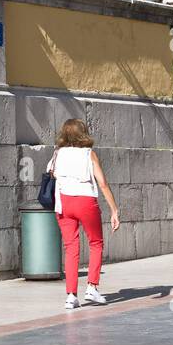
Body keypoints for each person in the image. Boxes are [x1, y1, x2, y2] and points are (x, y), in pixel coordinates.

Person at [48, 118, 120, 310]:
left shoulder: (57, 153)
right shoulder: (89, 154)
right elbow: (102, 183)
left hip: (64, 203)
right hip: (85, 201)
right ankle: (92, 287)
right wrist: (114, 209)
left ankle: (71, 296)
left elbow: (52, 173)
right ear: (83, 133)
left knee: (71, 248)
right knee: (96, 243)